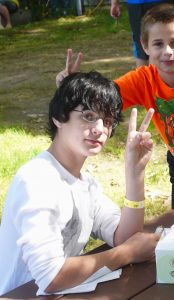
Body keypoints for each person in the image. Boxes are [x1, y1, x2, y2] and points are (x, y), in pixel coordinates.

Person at [56, 4, 174, 209]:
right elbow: (100, 99)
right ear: (145, 45)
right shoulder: (143, 80)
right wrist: (69, 87)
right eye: (158, 44)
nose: (167, 52)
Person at [0, 71, 159, 296]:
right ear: (59, 117)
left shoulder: (87, 185)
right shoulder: (37, 180)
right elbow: (51, 276)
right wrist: (127, 253)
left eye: (108, 121)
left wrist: (135, 174)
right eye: (88, 116)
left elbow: (124, 236)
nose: (99, 129)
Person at [110, 0, 174, 67]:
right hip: (141, 3)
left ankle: (150, 79)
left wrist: (114, 2)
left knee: (145, 44)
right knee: (145, 43)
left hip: (139, 4)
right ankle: (146, 79)